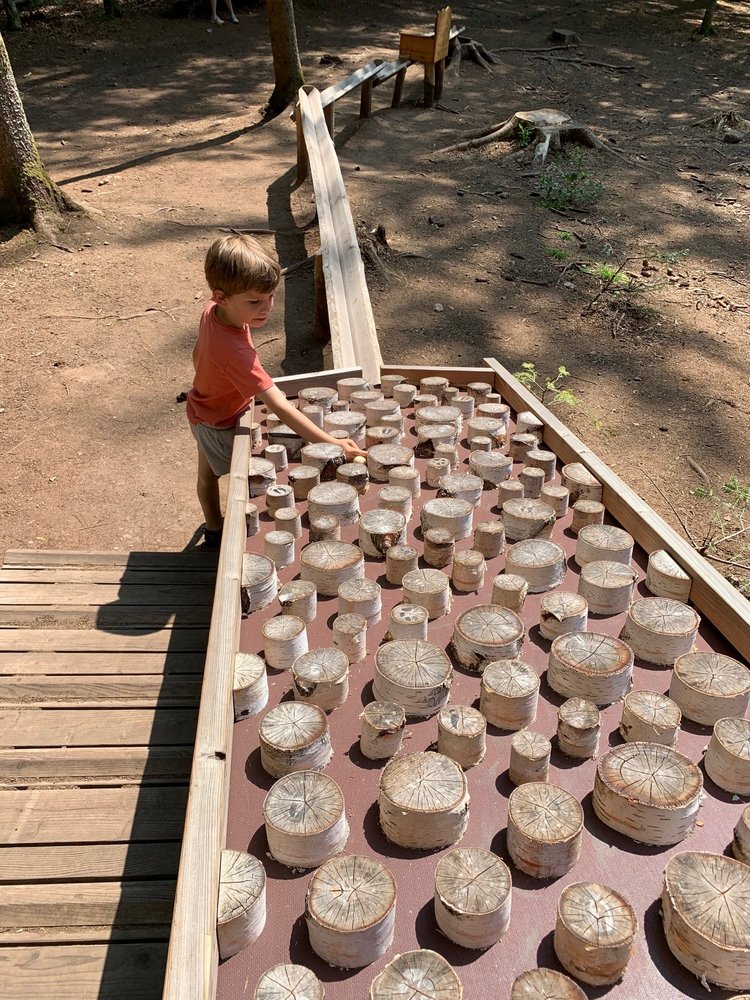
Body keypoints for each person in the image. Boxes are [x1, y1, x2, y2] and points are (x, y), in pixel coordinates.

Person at [186, 233, 366, 549]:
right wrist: (334, 443)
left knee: (207, 476)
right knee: (252, 480)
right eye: (254, 301)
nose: (266, 308)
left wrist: (210, 379)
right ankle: (223, 541)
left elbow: (198, 352)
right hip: (222, 423)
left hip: (201, 407)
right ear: (221, 296)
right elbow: (281, 407)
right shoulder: (237, 354)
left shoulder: (211, 312)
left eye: (271, 296)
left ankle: (213, 527)